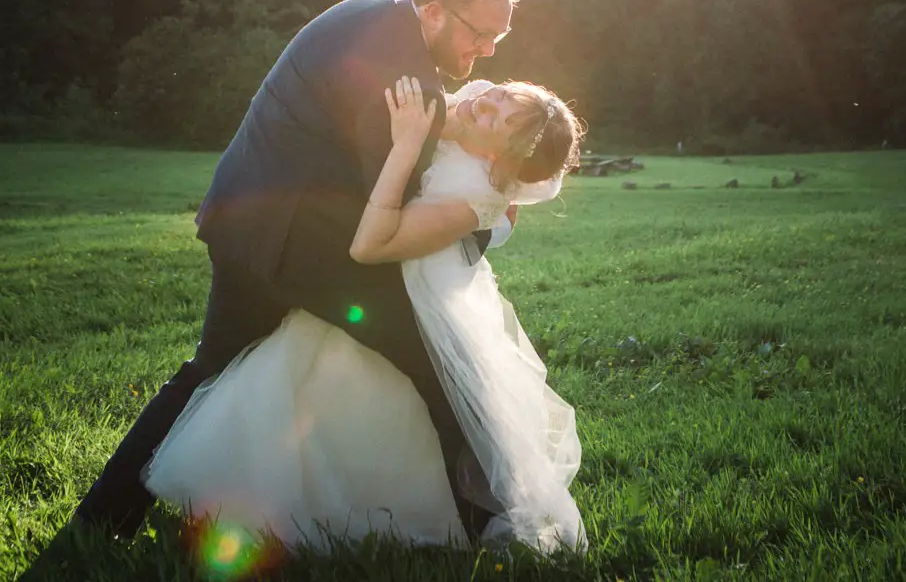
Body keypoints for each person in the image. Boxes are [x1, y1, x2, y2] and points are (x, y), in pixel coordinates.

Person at [71, 0, 525, 545]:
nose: (489, 50)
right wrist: (489, 220)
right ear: (436, 11)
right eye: (482, 33)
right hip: (304, 249)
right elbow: (394, 214)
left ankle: (102, 520)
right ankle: (493, 526)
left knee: (209, 367)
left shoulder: (364, 10)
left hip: (244, 226)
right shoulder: (406, 80)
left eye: (499, 36)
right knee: (445, 367)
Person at [142, 75, 588, 554]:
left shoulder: (475, 196)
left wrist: (409, 143)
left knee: (380, 398)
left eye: (498, 120)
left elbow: (371, 245)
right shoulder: (468, 99)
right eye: (502, 95)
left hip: (397, 293)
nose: (486, 103)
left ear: (499, 158)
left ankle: (371, 511)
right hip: (340, 276)